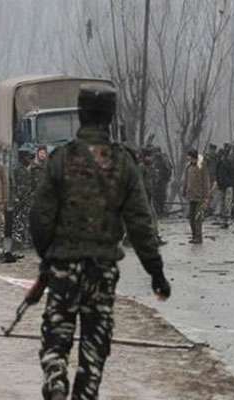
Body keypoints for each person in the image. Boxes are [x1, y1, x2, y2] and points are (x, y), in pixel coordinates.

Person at [29, 84, 170, 400]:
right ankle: (85, 392)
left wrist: (48, 259)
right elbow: (140, 225)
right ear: (111, 117)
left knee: (56, 336)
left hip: (64, 267)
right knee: (95, 345)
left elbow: (39, 218)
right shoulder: (124, 164)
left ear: (80, 114)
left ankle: (55, 380)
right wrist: (156, 273)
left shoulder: (60, 160)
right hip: (102, 271)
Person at [183, 149, 211, 244]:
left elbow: (206, 182)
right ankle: (194, 235)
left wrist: (206, 196)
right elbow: (186, 181)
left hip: (200, 197)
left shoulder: (201, 166)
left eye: (189, 156)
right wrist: (184, 191)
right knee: (191, 218)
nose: (188, 158)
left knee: (198, 218)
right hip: (191, 196)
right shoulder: (188, 167)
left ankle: (199, 237)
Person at [13, 147, 33, 248]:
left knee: (29, 220)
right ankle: (19, 242)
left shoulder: (31, 170)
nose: (29, 160)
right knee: (19, 220)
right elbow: (13, 185)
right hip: (20, 199)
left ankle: (28, 240)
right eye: (28, 158)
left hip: (29, 199)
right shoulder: (17, 170)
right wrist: (15, 197)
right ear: (22, 158)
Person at [215, 147, 234, 229]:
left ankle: (226, 219)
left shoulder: (228, 163)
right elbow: (217, 174)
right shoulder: (220, 163)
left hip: (227, 185)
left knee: (227, 202)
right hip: (222, 185)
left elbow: (232, 173)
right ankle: (223, 218)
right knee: (223, 202)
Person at [152, 147, 173, 217]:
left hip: (162, 182)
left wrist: (162, 178)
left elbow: (168, 170)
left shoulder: (163, 159)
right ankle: (158, 211)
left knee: (161, 197)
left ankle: (161, 211)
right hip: (157, 182)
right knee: (156, 197)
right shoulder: (155, 159)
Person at [203, 144, 219, 215]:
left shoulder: (216, 157)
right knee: (208, 194)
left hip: (213, 177)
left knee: (212, 194)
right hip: (208, 177)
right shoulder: (208, 157)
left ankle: (209, 209)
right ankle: (207, 208)